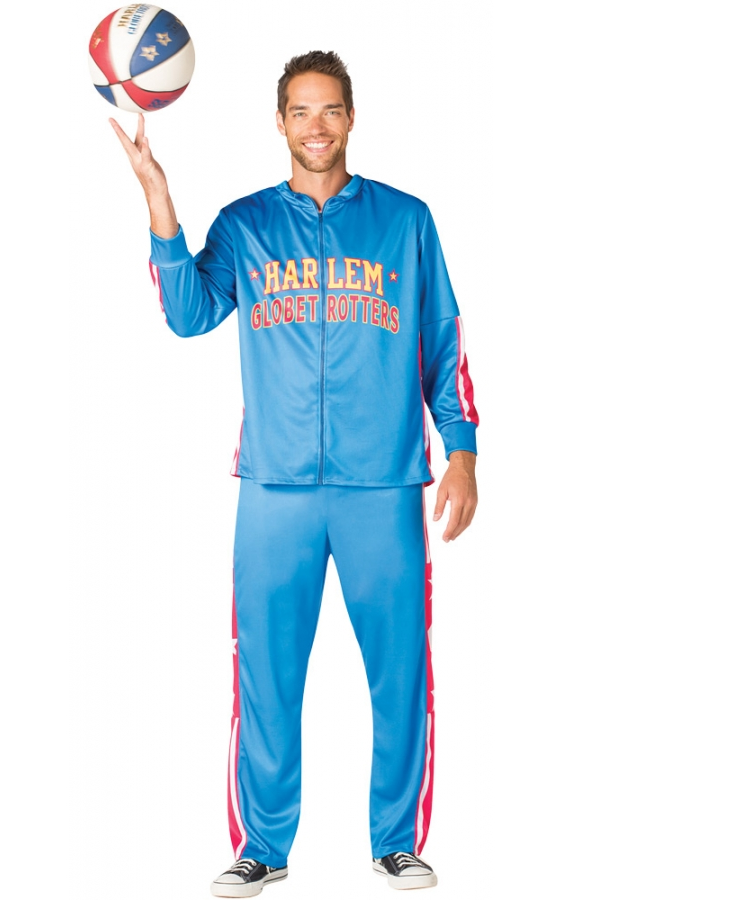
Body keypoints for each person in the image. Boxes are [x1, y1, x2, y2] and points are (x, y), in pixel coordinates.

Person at [110, 50, 479, 897]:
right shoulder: (245, 225)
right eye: (301, 111)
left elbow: (443, 340)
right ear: (279, 122)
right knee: (266, 676)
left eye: (331, 109)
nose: (317, 126)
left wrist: (461, 450)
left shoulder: (406, 221)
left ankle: (397, 841)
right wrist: (158, 198)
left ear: (351, 118)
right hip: (274, 489)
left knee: (400, 672)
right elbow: (188, 314)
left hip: (384, 486)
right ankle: (264, 846)